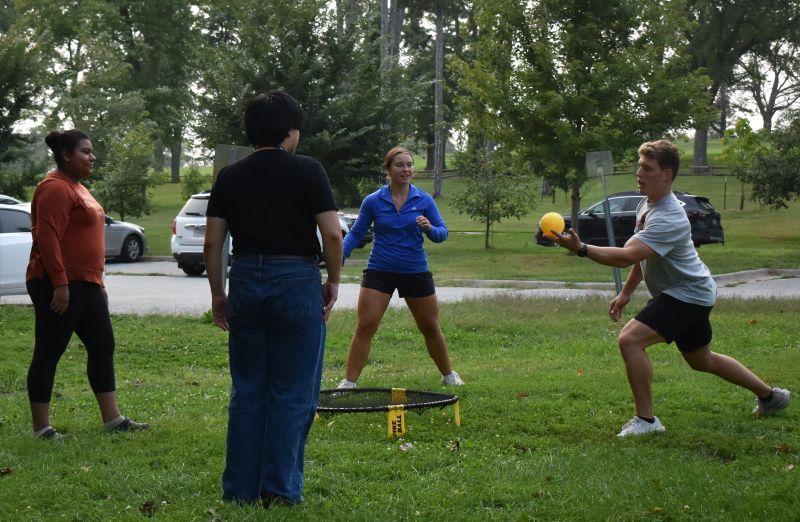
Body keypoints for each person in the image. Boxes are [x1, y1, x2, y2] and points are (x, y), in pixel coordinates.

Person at [550, 139, 790, 437]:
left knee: (630, 340)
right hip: (694, 292)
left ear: (667, 174)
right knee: (702, 361)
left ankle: (647, 422)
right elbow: (643, 255)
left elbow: (627, 256)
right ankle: (772, 397)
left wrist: (582, 248)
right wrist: (626, 293)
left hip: (687, 294)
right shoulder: (647, 204)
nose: (639, 173)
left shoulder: (670, 216)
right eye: (639, 167)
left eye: (647, 168)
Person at [204, 91, 343, 508]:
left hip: (245, 276)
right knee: (293, 390)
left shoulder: (229, 176)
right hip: (296, 279)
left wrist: (218, 293)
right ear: (291, 131)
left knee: (248, 389)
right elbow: (332, 234)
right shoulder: (307, 170)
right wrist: (333, 279)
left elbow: (214, 241)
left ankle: (240, 491)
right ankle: (280, 491)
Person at [26, 129, 150, 440]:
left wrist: (98, 282)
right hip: (59, 283)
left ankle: (112, 419)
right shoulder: (54, 187)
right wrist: (60, 283)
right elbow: (47, 236)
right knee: (49, 350)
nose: (92, 157)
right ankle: (41, 428)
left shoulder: (79, 188)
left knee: (102, 345)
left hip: (87, 283)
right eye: (85, 152)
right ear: (66, 155)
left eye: (92, 151)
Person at [337, 146, 463, 389]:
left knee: (430, 326)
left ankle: (449, 375)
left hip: (415, 270)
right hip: (380, 270)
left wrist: (428, 229)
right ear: (388, 170)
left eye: (409, 165)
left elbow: (442, 234)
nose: (406, 169)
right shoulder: (373, 201)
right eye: (400, 165)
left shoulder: (423, 200)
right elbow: (355, 234)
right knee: (366, 325)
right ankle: (349, 383)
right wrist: (339, 255)